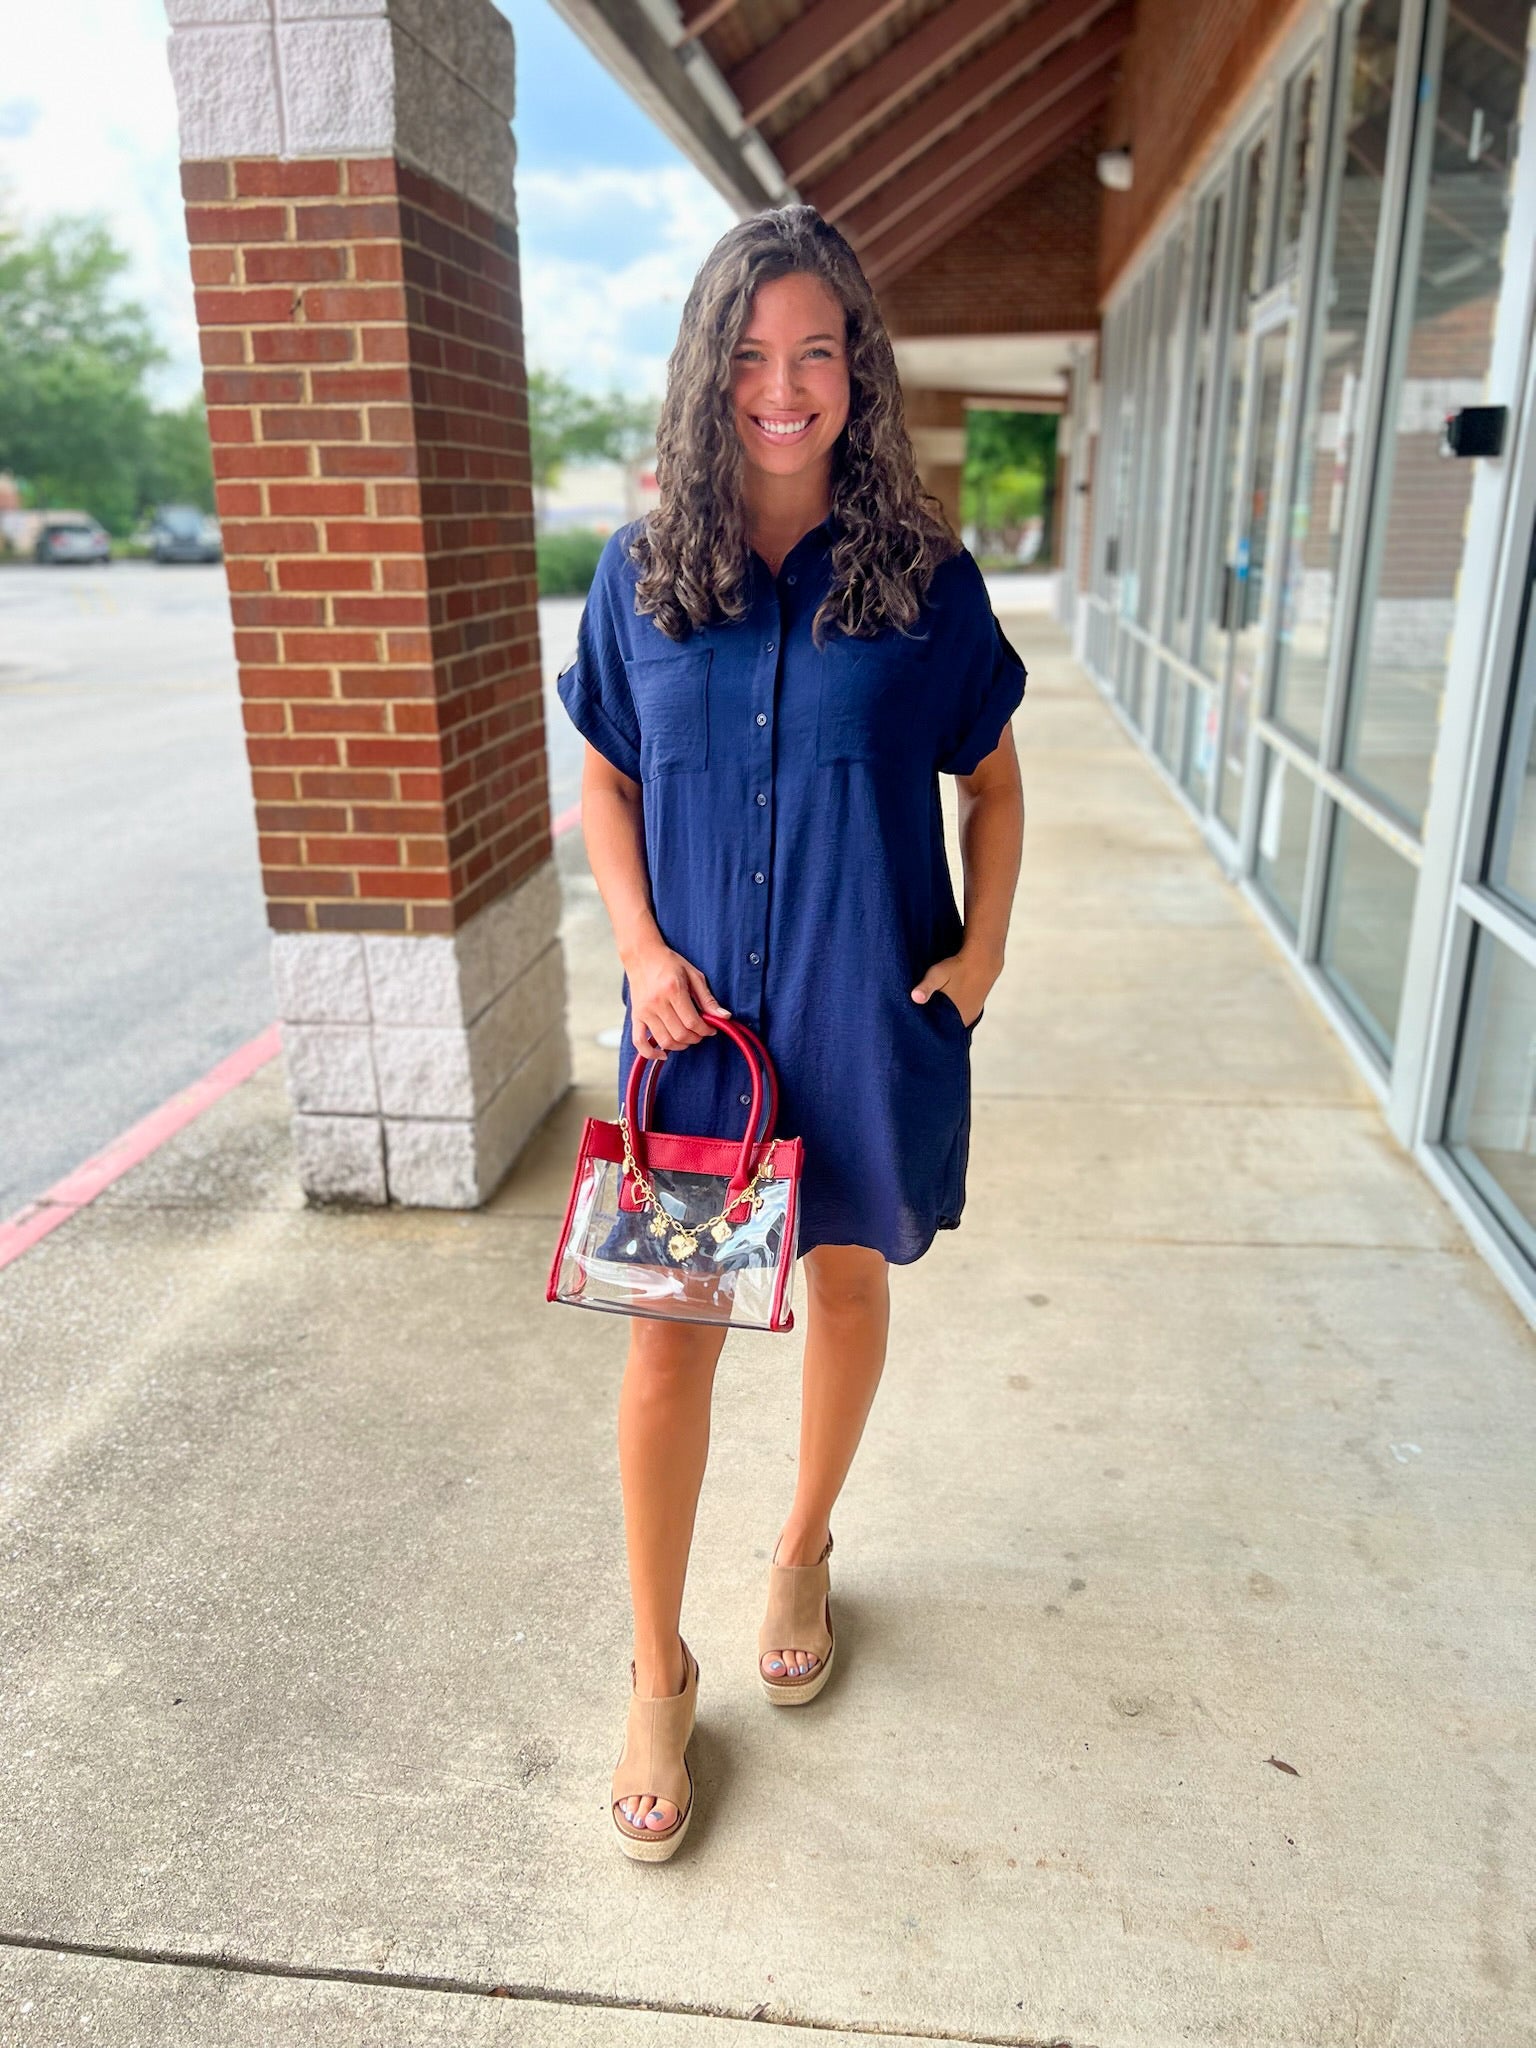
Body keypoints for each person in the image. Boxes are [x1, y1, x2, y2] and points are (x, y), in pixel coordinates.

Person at [556, 204, 1026, 1860]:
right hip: (702, 1047)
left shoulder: (924, 578)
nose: (783, 385)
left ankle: (806, 1542)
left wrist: (977, 957)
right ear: (710, 372)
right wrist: (633, 943)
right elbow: (607, 770)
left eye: (815, 351)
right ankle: (657, 1671)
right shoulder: (641, 574)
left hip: (859, 1006)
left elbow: (993, 772)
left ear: (857, 370)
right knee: (666, 1340)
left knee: (842, 1278)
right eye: (751, 354)